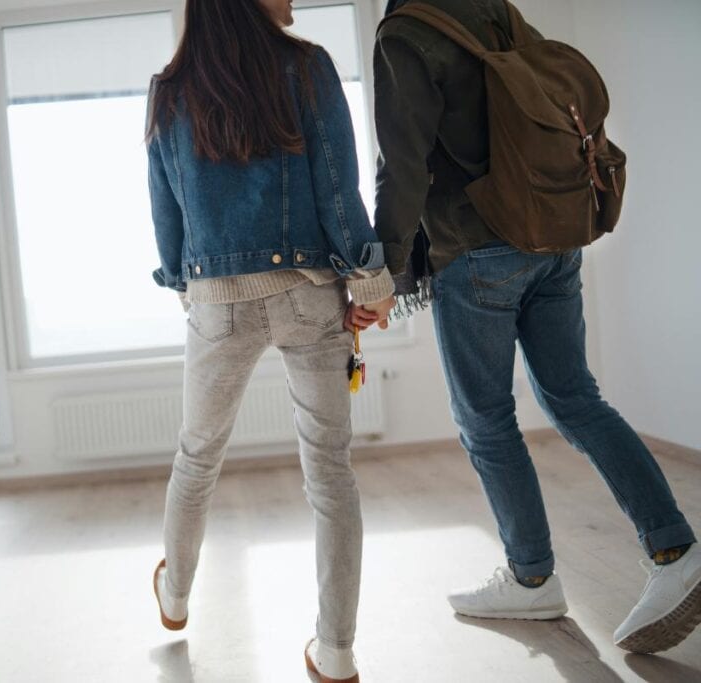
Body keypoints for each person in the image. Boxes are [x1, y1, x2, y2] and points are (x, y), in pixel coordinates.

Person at [373, 0, 699, 654]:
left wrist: (387, 272)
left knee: (485, 419)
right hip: (552, 233)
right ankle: (675, 547)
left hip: (476, 247)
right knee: (576, 395)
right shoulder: (489, 7)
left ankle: (531, 576)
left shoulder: (406, 33)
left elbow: (404, 166)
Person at [146, 1, 396, 680]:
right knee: (331, 473)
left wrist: (189, 286)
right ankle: (337, 652)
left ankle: (174, 593)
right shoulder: (307, 68)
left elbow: (167, 224)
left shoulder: (169, 94)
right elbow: (338, 197)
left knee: (196, 456)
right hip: (308, 293)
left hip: (215, 304)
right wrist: (369, 284)